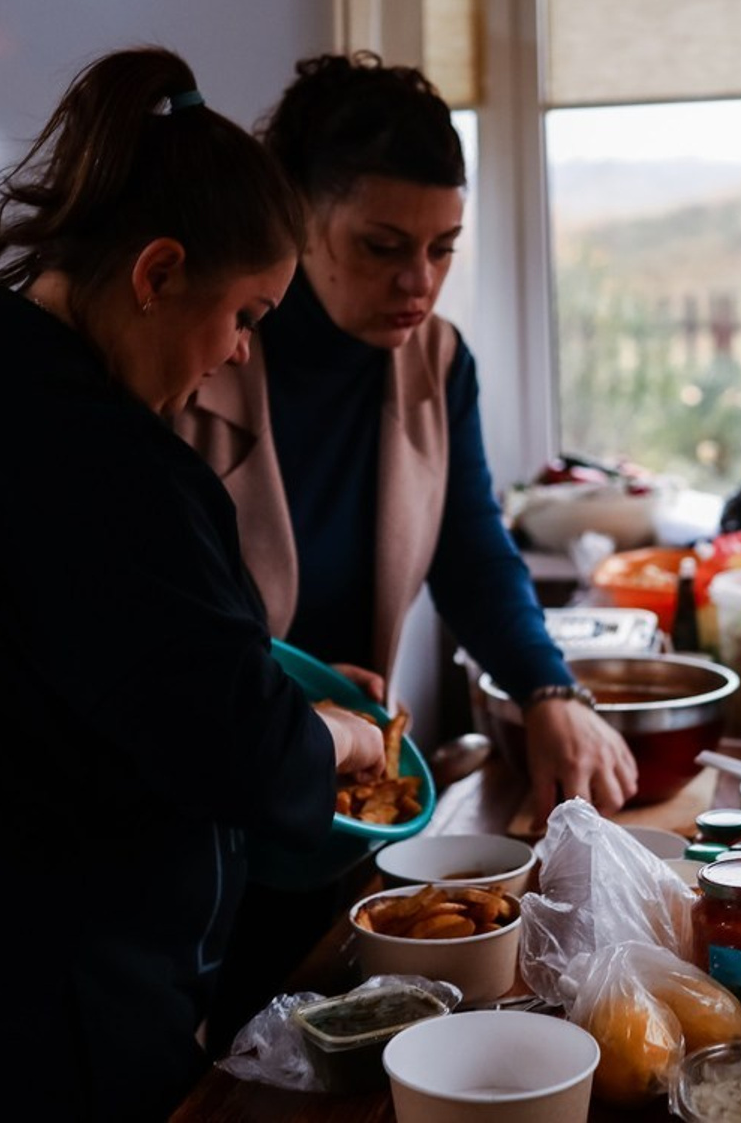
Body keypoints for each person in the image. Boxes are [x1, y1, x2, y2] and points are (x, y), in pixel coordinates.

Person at [0, 47, 386, 1122]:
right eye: (246, 318)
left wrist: (255, 669)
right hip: (49, 997)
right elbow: (243, 755)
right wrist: (343, 737)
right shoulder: (108, 465)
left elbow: (53, 646)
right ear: (158, 271)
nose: (233, 358)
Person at [176, 51, 639, 1047]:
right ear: (295, 214)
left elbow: (470, 545)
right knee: (212, 1048)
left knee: (319, 1030)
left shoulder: (434, 361)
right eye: (382, 244)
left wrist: (547, 689)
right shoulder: (205, 348)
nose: (417, 281)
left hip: (343, 786)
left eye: (443, 247)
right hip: (212, 777)